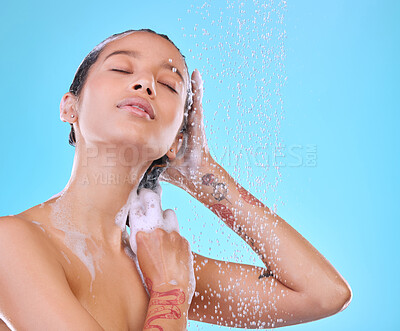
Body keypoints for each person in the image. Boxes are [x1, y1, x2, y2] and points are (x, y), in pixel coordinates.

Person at [0, 29, 352, 330]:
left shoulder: (156, 262)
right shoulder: (12, 243)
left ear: (174, 142)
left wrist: (204, 175)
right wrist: (170, 293)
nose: (145, 83)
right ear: (69, 107)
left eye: (169, 85)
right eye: (122, 68)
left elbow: (323, 293)